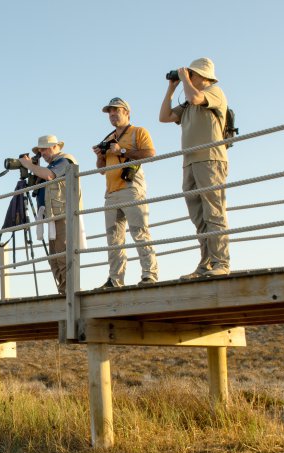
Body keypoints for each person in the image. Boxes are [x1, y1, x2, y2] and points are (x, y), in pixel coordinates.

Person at [159, 57, 230, 278]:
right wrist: (171, 89)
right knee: (199, 217)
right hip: (189, 161)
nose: (188, 77)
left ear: (202, 76)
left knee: (214, 212)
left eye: (192, 74)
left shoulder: (213, 92)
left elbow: (197, 97)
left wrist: (184, 80)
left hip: (210, 159)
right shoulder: (188, 101)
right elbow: (164, 117)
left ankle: (221, 262)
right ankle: (206, 264)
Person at [93, 98, 159, 288]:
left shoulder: (138, 132)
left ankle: (149, 274)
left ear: (127, 112)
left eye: (116, 111)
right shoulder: (108, 138)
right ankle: (115, 279)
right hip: (111, 191)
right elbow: (101, 169)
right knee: (113, 239)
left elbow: (150, 154)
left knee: (139, 232)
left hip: (131, 188)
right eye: (110, 112)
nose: (112, 114)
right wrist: (100, 156)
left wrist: (121, 149)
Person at [19, 136, 81, 295]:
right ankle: (63, 289)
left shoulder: (65, 160)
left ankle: (70, 290)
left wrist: (29, 165)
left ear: (55, 147)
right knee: (54, 258)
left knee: (62, 254)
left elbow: (49, 176)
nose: (42, 153)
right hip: (53, 216)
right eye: (40, 150)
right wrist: (33, 168)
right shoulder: (51, 164)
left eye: (44, 149)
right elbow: (36, 185)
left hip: (63, 215)